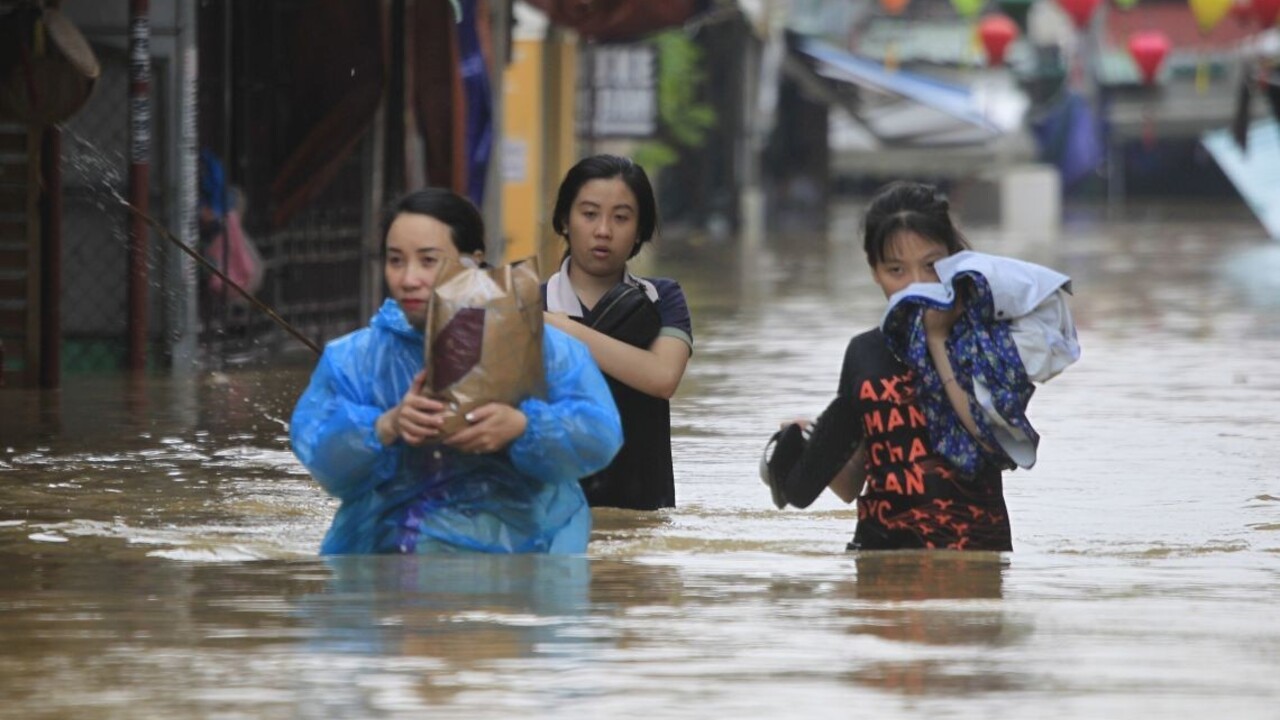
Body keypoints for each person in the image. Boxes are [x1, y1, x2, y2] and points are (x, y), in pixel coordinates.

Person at [290, 188, 623, 555]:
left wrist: (524, 427)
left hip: (522, 573)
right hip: (387, 564)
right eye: (395, 260)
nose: (408, 278)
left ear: (472, 262)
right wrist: (387, 426)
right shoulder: (354, 359)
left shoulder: (546, 350)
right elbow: (319, 457)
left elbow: (600, 437)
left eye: (428, 261)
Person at [764, 181, 1077, 552]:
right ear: (875, 272)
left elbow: (994, 444)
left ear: (954, 257)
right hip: (881, 559)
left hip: (975, 557)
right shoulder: (864, 352)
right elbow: (851, 485)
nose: (916, 284)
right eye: (896, 270)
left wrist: (937, 341)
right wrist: (806, 438)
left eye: (930, 266)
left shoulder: (991, 345)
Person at [542, 155, 693, 510]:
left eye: (621, 217)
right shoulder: (527, 303)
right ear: (565, 220)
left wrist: (564, 329)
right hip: (553, 518)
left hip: (643, 518)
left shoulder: (662, 298)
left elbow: (662, 377)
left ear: (640, 229)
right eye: (589, 214)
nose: (603, 230)